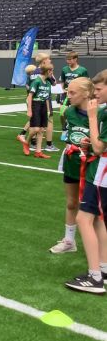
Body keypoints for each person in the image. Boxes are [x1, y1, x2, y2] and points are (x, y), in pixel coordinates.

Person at [65, 70, 107, 294]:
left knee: (84, 219)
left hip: (102, 173)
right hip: (101, 171)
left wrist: (91, 118)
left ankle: (94, 277)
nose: (95, 93)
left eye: (99, 89)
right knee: (98, 219)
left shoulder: (103, 113)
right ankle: (104, 268)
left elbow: (99, 148)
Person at [50, 77, 94, 254]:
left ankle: (99, 246)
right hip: (71, 162)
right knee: (71, 203)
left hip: (92, 165)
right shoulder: (69, 111)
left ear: (86, 93)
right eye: (68, 91)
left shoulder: (99, 113)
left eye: (72, 92)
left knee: (95, 208)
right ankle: (69, 241)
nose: (68, 95)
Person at [17, 53, 59, 152]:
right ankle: (48, 144)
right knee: (48, 121)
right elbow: (54, 83)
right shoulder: (45, 72)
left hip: (33, 100)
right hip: (43, 99)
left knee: (35, 121)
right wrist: (51, 73)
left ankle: (30, 141)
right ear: (44, 61)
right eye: (48, 59)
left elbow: (28, 86)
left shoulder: (33, 72)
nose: (50, 61)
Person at [20, 63, 53, 158]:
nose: (52, 73)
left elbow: (47, 98)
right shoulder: (37, 81)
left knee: (42, 129)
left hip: (43, 106)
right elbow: (30, 96)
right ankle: (26, 142)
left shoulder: (48, 83)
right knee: (36, 129)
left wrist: (48, 110)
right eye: (52, 71)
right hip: (36, 105)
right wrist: (29, 110)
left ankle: (38, 151)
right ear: (48, 71)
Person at [59, 52, 89, 142]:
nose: (68, 61)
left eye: (70, 59)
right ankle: (64, 129)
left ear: (75, 59)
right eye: (67, 59)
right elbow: (62, 81)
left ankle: (75, 128)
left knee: (75, 111)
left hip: (76, 95)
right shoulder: (64, 69)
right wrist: (62, 90)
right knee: (62, 112)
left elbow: (86, 82)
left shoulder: (82, 70)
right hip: (66, 94)